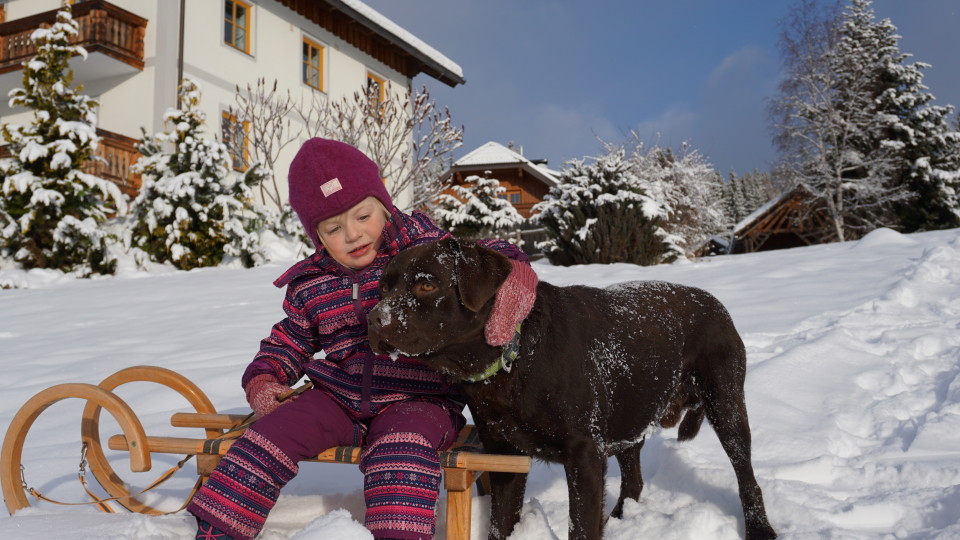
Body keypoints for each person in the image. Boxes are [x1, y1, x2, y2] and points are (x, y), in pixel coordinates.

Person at [188, 138, 537, 540]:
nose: (353, 234)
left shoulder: (422, 251)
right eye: (333, 228)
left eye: (363, 215)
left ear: (385, 204)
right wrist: (264, 380)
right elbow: (289, 341)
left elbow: (480, 253)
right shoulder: (312, 284)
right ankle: (217, 532)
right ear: (316, 235)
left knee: (401, 453)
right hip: (338, 396)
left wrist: (514, 268)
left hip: (420, 400)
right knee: (268, 436)